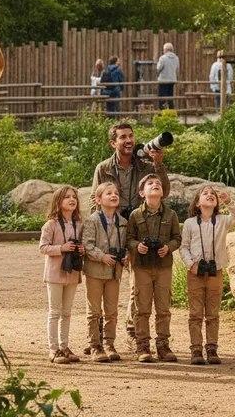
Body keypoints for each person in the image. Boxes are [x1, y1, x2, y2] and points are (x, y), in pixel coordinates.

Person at [91, 123, 171, 347]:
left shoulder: (145, 167)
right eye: (123, 137)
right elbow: (94, 199)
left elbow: (163, 191)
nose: (128, 140)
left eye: (131, 136)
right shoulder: (103, 168)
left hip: (138, 231)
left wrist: (159, 164)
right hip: (111, 229)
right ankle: (98, 336)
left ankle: (133, 332)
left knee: (137, 285)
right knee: (104, 283)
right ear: (113, 143)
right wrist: (100, 226)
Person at [180, 185, 235, 365]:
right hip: (195, 272)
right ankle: (196, 349)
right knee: (195, 312)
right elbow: (184, 247)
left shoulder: (222, 220)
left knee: (213, 312)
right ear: (197, 203)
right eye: (205, 193)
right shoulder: (190, 223)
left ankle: (212, 348)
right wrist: (190, 264)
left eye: (213, 194)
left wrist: (229, 201)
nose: (210, 195)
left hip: (216, 271)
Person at [127, 174, 181, 363]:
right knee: (142, 308)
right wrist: (136, 246)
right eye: (150, 184)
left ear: (163, 192)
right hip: (141, 267)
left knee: (163, 307)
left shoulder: (171, 215)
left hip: (163, 266)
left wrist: (168, 247)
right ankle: (142, 346)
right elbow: (129, 238)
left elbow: (177, 238)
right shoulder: (135, 215)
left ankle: (163, 345)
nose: (155, 185)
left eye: (158, 183)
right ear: (142, 193)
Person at [82, 182, 128, 362]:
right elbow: (87, 245)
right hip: (95, 271)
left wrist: (126, 257)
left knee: (112, 311)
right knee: (94, 311)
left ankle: (109, 344)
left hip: (114, 273)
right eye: (109, 193)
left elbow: (125, 245)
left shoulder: (123, 222)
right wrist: (102, 256)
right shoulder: (92, 221)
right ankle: (95, 345)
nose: (113, 195)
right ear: (99, 199)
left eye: (116, 193)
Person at [39, 185, 85, 364]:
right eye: (67, 197)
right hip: (55, 274)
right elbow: (42, 248)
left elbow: (83, 246)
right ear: (59, 201)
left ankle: (65, 347)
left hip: (72, 273)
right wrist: (61, 248)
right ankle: (53, 349)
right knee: (55, 312)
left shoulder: (79, 225)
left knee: (67, 312)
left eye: (74, 197)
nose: (72, 199)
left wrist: (81, 249)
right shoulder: (50, 224)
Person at [156, 43, 180, 110]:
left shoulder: (163, 58)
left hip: (163, 80)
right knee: (170, 96)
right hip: (172, 80)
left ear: (165, 50)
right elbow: (177, 68)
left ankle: (162, 112)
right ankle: (171, 110)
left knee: (162, 97)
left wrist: (157, 75)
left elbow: (158, 69)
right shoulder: (176, 58)